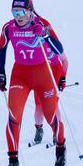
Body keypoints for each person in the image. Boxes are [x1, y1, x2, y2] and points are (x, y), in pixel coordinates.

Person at [0, 0, 66, 166]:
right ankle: (13, 161)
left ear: (30, 11)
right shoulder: (8, 27)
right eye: (14, 12)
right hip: (21, 74)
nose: (17, 16)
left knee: (51, 117)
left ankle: (60, 148)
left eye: (21, 12)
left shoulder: (42, 23)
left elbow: (59, 50)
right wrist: (2, 73)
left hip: (43, 74)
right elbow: (1, 48)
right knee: (14, 115)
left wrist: (44, 35)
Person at [31, 13, 68, 145]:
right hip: (39, 71)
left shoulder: (51, 37)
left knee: (53, 104)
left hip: (54, 70)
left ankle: (57, 133)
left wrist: (63, 78)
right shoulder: (29, 34)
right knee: (39, 104)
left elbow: (64, 60)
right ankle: (39, 129)